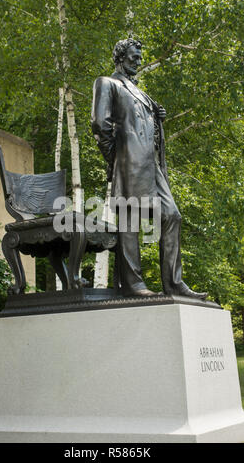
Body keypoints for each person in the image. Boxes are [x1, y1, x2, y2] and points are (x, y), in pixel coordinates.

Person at [91, 38, 207, 299]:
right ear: (121, 56)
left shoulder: (138, 90)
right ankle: (133, 284)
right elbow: (100, 126)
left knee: (172, 215)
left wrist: (156, 116)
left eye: (140, 57)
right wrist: (118, 158)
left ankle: (174, 283)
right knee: (130, 217)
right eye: (134, 56)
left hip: (151, 164)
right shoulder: (107, 83)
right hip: (130, 160)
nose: (139, 61)